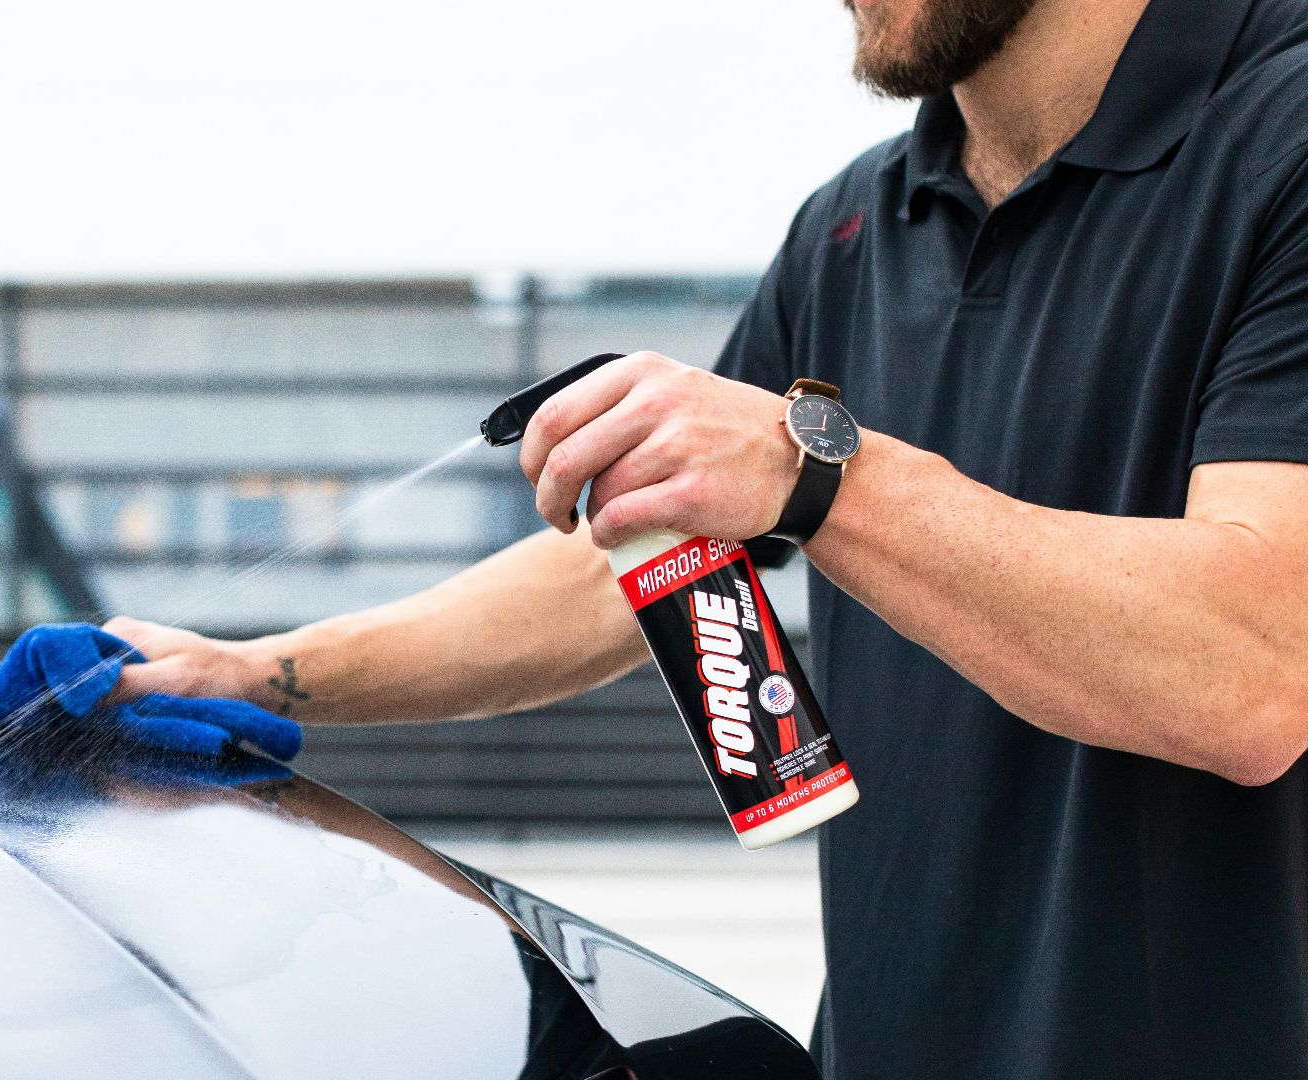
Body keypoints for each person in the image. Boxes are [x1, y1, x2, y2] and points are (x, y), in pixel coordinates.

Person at [105, 0, 1308, 1075]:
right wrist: (257, 674)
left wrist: (811, 469)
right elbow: (610, 571)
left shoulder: (1284, 132)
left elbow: (1254, 670)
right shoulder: (854, 226)